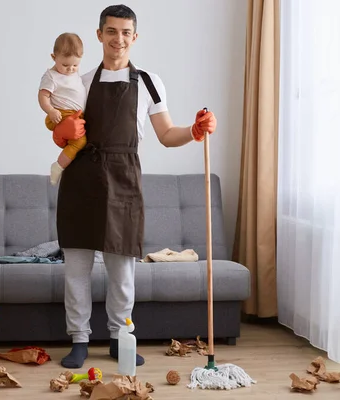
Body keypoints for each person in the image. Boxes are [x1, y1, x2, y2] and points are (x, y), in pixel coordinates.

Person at [53, 4, 218, 369]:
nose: (118, 39)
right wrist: (60, 132)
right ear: (99, 35)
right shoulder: (79, 81)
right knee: (76, 268)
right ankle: (79, 340)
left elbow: (165, 134)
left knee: (122, 269)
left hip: (124, 178)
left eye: (126, 32)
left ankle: (119, 337)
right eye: (111, 31)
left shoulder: (147, 81)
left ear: (135, 37)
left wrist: (193, 131)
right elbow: (63, 130)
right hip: (81, 178)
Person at [38, 32, 88, 185]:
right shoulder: (51, 76)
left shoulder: (73, 72)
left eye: (75, 65)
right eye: (65, 65)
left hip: (77, 115)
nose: (71, 69)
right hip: (62, 113)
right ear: (54, 57)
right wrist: (51, 111)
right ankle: (58, 166)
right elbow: (43, 96)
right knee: (80, 142)